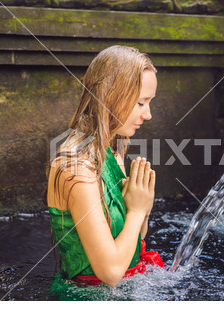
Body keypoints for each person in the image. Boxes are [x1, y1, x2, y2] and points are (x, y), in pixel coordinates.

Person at [43, 45, 164, 288]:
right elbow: (110, 272)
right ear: (111, 96)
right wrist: (137, 211)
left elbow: (135, 238)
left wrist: (143, 207)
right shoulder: (75, 167)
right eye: (141, 103)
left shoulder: (115, 146)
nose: (148, 114)